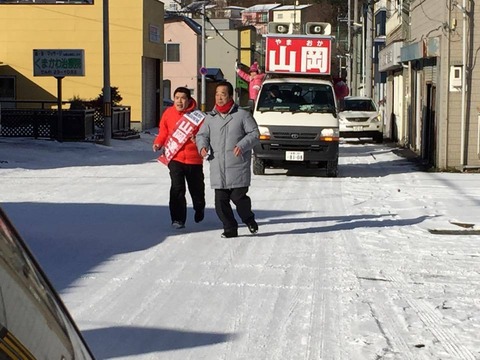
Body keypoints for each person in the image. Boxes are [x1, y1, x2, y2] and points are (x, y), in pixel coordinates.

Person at [196, 81, 260, 238]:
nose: (219, 98)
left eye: (223, 94)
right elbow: (202, 135)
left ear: (230, 96)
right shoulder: (210, 118)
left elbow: (254, 133)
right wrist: (202, 146)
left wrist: (243, 145)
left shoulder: (242, 115)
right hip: (218, 165)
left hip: (237, 165)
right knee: (220, 203)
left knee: (238, 198)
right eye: (217, 94)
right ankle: (230, 228)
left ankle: (248, 219)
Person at [152, 87, 206, 229]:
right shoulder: (168, 113)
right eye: (177, 98)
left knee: (197, 189)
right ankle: (177, 219)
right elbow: (163, 131)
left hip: (194, 159)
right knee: (177, 188)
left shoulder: (198, 116)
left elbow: (205, 135)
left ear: (188, 100)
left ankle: (199, 207)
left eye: (182, 98)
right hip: (175, 158)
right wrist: (158, 142)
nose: (179, 101)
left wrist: (198, 140)